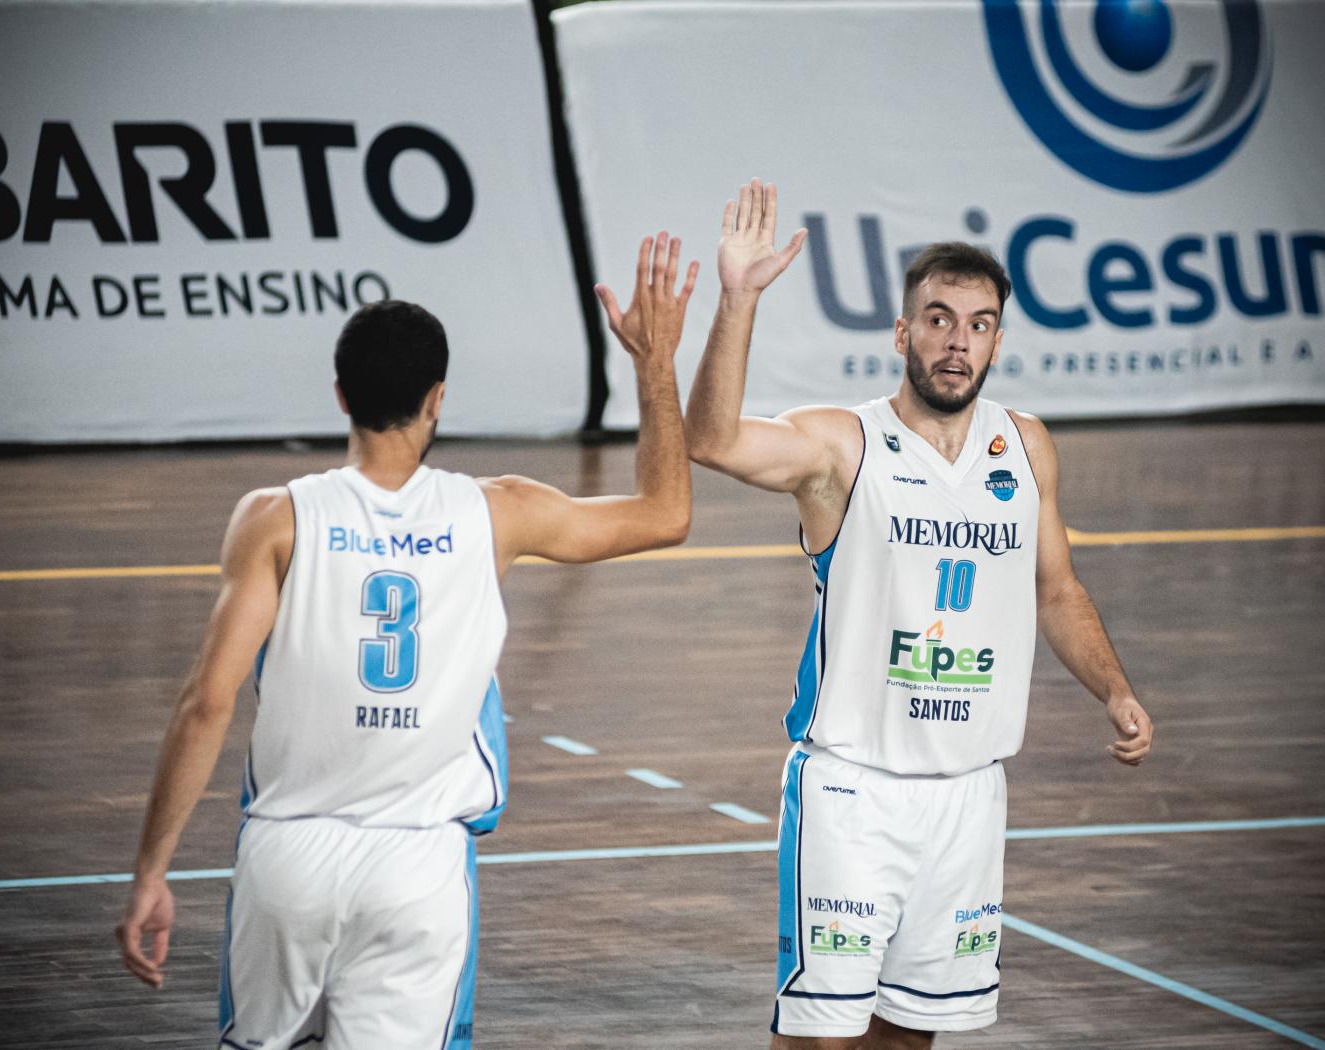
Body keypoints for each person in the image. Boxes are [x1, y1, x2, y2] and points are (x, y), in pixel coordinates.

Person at [116, 232, 700, 1049]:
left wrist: (151, 869)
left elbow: (208, 700)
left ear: (340, 396)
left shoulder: (274, 517)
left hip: (288, 853)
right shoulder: (498, 511)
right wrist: (655, 362)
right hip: (420, 868)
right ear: (437, 399)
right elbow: (665, 513)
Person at [684, 180, 1154, 1050]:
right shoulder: (842, 444)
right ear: (903, 334)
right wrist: (739, 299)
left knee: (911, 1035)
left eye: (977, 325)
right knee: (822, 1035)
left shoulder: (1026, 445)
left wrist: (1115, 691)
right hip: (853, 790)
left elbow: (1057, 589)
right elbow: (709, 440)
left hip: (971, 796)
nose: (956, 341)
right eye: (938, 319)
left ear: (997, 342)